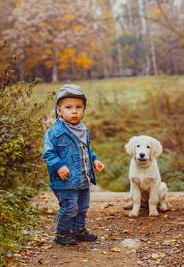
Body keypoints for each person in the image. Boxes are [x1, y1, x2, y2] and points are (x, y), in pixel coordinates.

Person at [43, 84, 105, 246]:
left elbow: (86, 149)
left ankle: (78, 230)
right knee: (69, 207)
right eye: (68, 107)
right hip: (65, 180)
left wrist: (95, 160)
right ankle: (62, 233)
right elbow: (49, 153)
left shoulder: (83, 130)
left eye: (79, 107)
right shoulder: (54, 132)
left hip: (83, 178)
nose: (74, 111)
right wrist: (59, 165)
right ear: (59, 110)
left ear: (84, 110)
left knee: (82, 207)